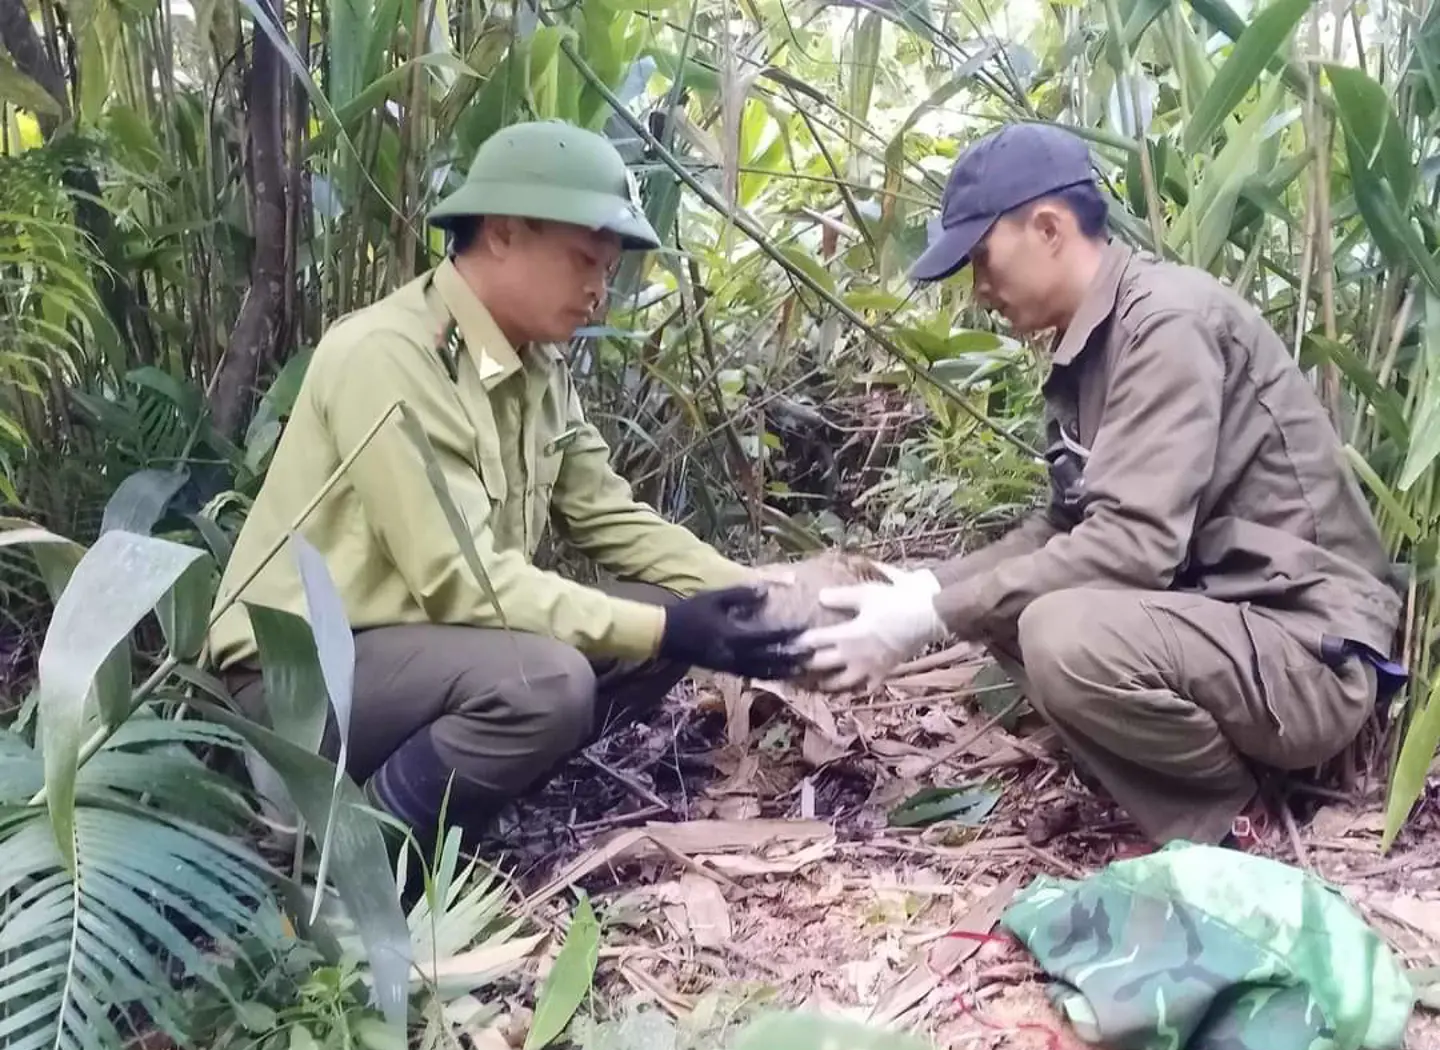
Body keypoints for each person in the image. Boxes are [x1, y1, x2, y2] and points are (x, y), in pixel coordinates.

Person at [798, 122, 1405, 849]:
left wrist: (931, 616)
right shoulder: (1095, 345)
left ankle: (1239, 824)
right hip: (1229, 631)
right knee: (1013, 604)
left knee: (1059, 630)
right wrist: (919, 586)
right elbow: (1065, 531)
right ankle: (1220, 795)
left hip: (1306, 654)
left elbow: (1132, 548)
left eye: (982, 260)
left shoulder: (1166, 323)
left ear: (1048, 228)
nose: (980, 291)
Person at [209, 120, 806, 849]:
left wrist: (750, 598)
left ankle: (469, 807)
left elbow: (606, 514)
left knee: (668, 614)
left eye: (607, 270)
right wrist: (666, 629)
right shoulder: (390, 356)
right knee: (547, 682)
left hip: (426, 658)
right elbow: (459, 582)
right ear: (501, 233)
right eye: (584, 260)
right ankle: (353, 857)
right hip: (295, 686)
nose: (598, 292)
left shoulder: (535, 366)